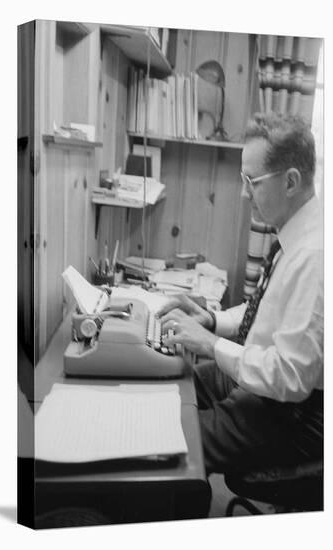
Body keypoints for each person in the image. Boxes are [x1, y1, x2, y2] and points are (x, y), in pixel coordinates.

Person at [158, 113, 323, 475]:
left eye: (252, 181)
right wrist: (212, 321)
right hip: (261, 374)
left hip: (293, 410)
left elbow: (291, 378)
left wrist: (210, 344)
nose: (245, 192)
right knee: (167, 386)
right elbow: (266, 306)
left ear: (291, 181)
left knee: (166, 439)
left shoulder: (315, 256)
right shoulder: (295, 234)